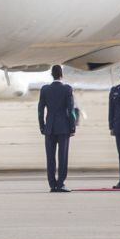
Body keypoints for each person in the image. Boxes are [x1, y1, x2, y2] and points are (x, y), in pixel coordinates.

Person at [38, 64, 76, 193]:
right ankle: (60, 183)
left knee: (50, 157)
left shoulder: (45, 89)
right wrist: (72, 127)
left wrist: (42, 126)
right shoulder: (67, 89)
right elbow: (71, 110)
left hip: (49, 127)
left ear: (51, 75)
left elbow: (40, 110)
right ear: (62, 75)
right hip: (63, 127)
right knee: (62, 157)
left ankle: (52, 184)